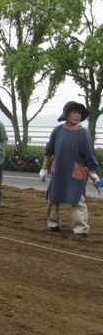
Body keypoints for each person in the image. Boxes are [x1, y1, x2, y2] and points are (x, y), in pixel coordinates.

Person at [39, 101, 100, 241]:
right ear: (67, 115)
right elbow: (49, 150)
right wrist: (43, 168)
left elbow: (90, 154)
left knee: (77, 199)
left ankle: (81, 230)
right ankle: (53, 224)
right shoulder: (58, 130)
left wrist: (94, 171)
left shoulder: (83, 133)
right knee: (53, 197)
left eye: (79, 113)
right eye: (74, 113)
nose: (77, 116)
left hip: (76, 171)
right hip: (58, 169)